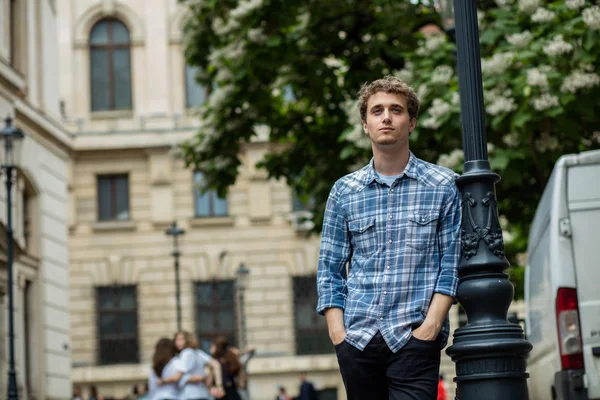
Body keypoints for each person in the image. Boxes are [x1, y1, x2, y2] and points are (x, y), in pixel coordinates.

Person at [316, 75, 461, 400]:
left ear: (410, 122)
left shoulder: (443, 185)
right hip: (358, 340)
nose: (386, 117)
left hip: (414, 337)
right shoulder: (344, 191)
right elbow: (330, 271)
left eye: (396, 110)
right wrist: (339, 335)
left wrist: (429, 330)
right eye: (377, 110)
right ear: (366, 124)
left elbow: (451, 268)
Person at [159, 330, 225, 399]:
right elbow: (216, 364)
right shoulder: (198, 352)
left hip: (190, 394)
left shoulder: (186, 353)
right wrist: (219, 385)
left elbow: (181, 376)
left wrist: (163, 380)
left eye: (181, 339)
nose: (177, 342)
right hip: (203, 394)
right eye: (177, 340)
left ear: (188, 340)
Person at [210, 336, 243, 400]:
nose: (210, 349)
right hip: (233, 392)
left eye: (212, 347)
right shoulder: (233, 360)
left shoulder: (214, 362)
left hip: (220, 393)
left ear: (217, 347)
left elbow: (209, 382)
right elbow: (241, 383)